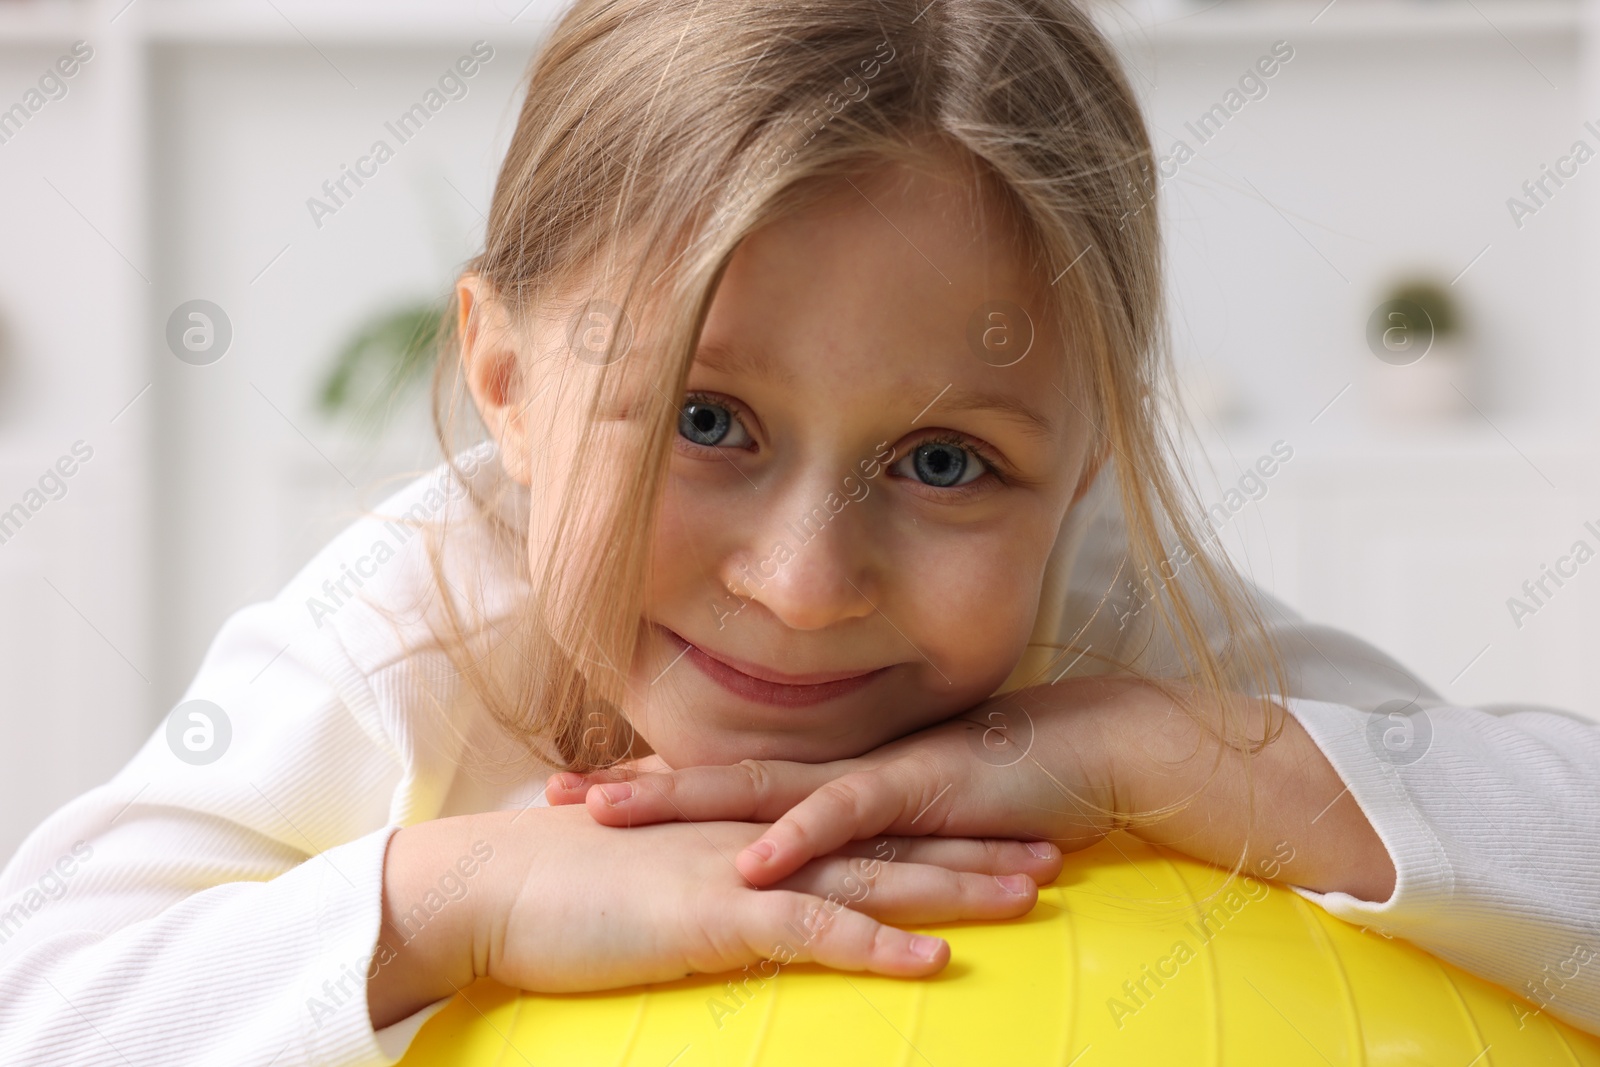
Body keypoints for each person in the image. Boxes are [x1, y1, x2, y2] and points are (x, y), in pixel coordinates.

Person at [2, 1, 1597, 1063]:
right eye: (707, 422)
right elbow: (43, 1001)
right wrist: (455, 896)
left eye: (946, 462)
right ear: (503, 379)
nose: (805, 582)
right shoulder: (406, 641)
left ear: (1090, 459)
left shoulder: (1103, 619)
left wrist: (1152, 749)